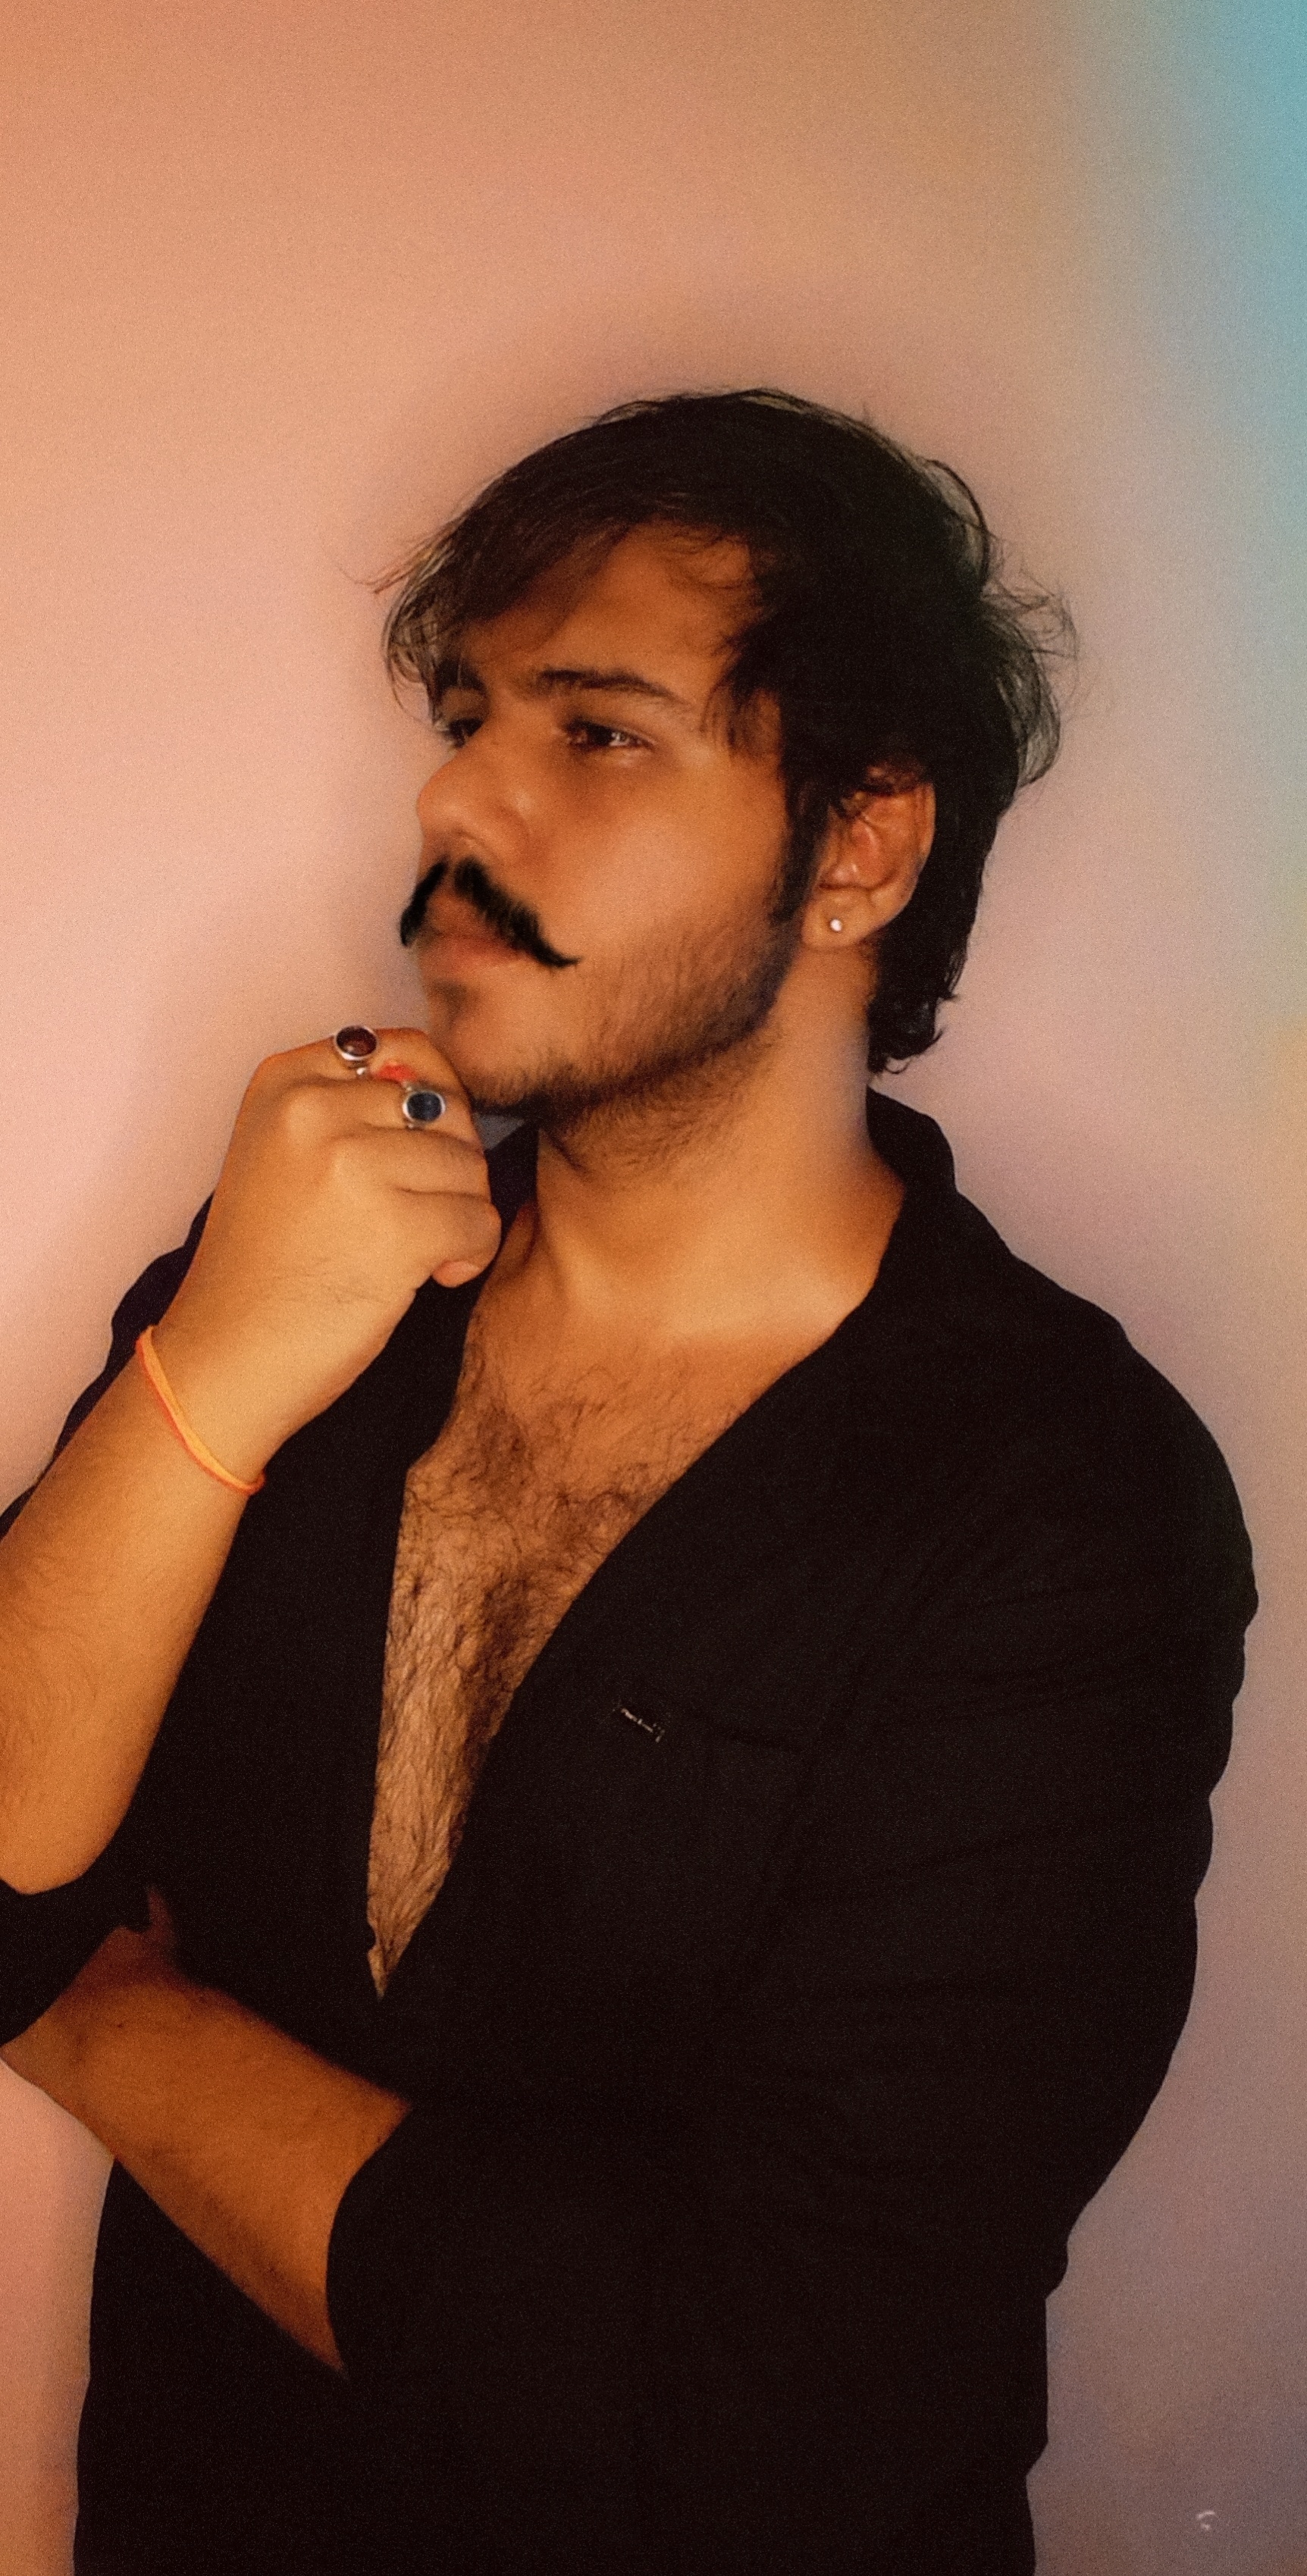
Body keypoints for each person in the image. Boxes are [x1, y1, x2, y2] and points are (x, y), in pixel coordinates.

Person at [0, 390, 1255, 2576]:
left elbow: (764, 2408)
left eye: (595, 733)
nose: (453, 798)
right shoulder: (297, 1279)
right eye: (466, 718)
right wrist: (216, 1360)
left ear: (858, 851)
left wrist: (108, 2022)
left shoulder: (1058, 1504)